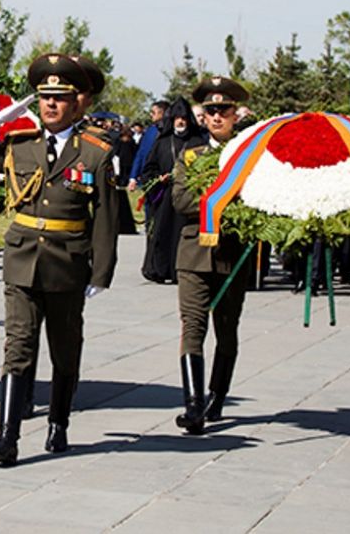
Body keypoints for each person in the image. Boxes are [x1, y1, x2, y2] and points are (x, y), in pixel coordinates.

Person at [0, 53, 119, 466]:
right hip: (23, 259)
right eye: (43, 97)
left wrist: (102, 271)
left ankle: (58, 423)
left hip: (68, 263)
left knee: (64, 351)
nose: (50, 105)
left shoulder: (95, 154)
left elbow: (106, 220)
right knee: (19, 347)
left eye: (59, 97)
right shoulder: (19, 145)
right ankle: (7, 438)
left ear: (75, 103)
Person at [170, 76, 251, 435]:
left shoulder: (249, 157)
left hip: (232, 255)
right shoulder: (191, 156)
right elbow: (181, 201)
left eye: (224, 111)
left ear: (236, 115)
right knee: (193, 328)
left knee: (227, 330)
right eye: (211, 111)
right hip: (194, 254)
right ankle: (193, 405)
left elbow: (257, 204)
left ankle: (217, 396)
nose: (217, 117)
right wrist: (220, 198)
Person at [140, 97, 205, 284]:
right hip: (165, 196)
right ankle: (160, 269)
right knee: (162, 233)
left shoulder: (197, 142)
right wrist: (158, 178)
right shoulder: (162, 142)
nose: (181, 121)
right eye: (177, 118)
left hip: (187, 197)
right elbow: (148, 169)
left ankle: (181, 271)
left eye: (184, 117)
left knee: (183, 234)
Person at [127, 100, 169, 193]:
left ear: (162, 113)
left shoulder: (171, 132)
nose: (151, 115)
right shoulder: (150, 131)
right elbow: (141, 154)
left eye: (153, 112)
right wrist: (133, 177)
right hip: (147, 178)